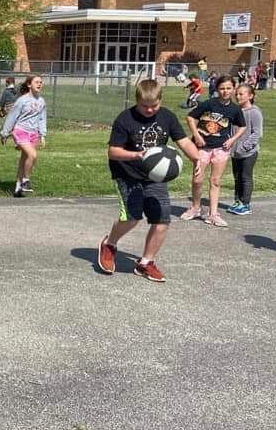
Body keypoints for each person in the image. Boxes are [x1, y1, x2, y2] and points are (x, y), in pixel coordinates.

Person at [98, 80, 200, 282]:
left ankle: (146, 262)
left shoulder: (167, 116)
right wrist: (137, 155)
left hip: (155, 175)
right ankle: (109, 244)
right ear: (137, 101)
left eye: (154, 105)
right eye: (145, 106)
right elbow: (113, 151)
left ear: (160, 100)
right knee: (132, 217)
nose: (150, 110)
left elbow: (183, 141)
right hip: (127, 174)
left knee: (162, 219)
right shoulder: (125, 119)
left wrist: (196, 159)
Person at [181, 76, 247, 227]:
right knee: (197, 179)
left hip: (221, 149)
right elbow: (190, 118)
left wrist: (232, 139)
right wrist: (196, 135)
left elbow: (242, 126)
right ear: (217, 89)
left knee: (215, 181)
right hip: (202, 148)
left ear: (233, 89)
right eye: (222, 88)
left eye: (229, 88)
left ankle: (213, 214)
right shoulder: (209, 104)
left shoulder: (235, 109)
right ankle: (196, 208)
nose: (225, 91)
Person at [0, 75, 47, 198]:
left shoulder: (41, 101)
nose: (39, 84)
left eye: (41, 82)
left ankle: (18, 188)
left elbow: (42, 119)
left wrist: (42, 134)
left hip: (33, 134)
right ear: (29, 84)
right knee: (33, 155)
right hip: (21, 131)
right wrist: (5, 133)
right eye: (36, 82)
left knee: (24, 160)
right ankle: (26, 181)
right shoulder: (22, 100)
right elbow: (12, 116)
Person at [227, 84, 263, 216]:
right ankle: (237, 201)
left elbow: (257, 133)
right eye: (236, 94)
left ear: (250, 96)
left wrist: (244, 147)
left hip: (249, 152)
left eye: (241, 94)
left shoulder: (254, 112)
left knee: (245, 177)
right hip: (235, 152)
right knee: (237, 177)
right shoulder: (235, 110)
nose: (238, 96)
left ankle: (246, 204)